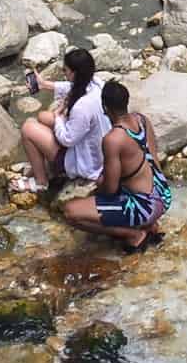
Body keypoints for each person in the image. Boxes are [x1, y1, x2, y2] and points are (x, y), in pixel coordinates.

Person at [58, 80, 170, 249]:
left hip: (145, 206)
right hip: (163, 195)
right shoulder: (142, 120)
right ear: (126, 102)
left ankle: (134, 234)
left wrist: (98, 187)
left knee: (70, 211)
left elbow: (110, 189)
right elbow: (153, 160)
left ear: (105, 108)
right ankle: (149, 225)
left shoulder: (113, 139)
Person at [19, 47, 107, 192]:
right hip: (98, 151)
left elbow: (67, 139)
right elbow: (73, 86)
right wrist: (44, 84)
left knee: (28, 127)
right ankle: (42, 161)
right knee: (43, 117)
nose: (63, 73)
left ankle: (41, 182)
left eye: (65, 70)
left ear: (74, 73)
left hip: (85, 163)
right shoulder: (98, 85)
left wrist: (59, 117)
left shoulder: (82, 107)